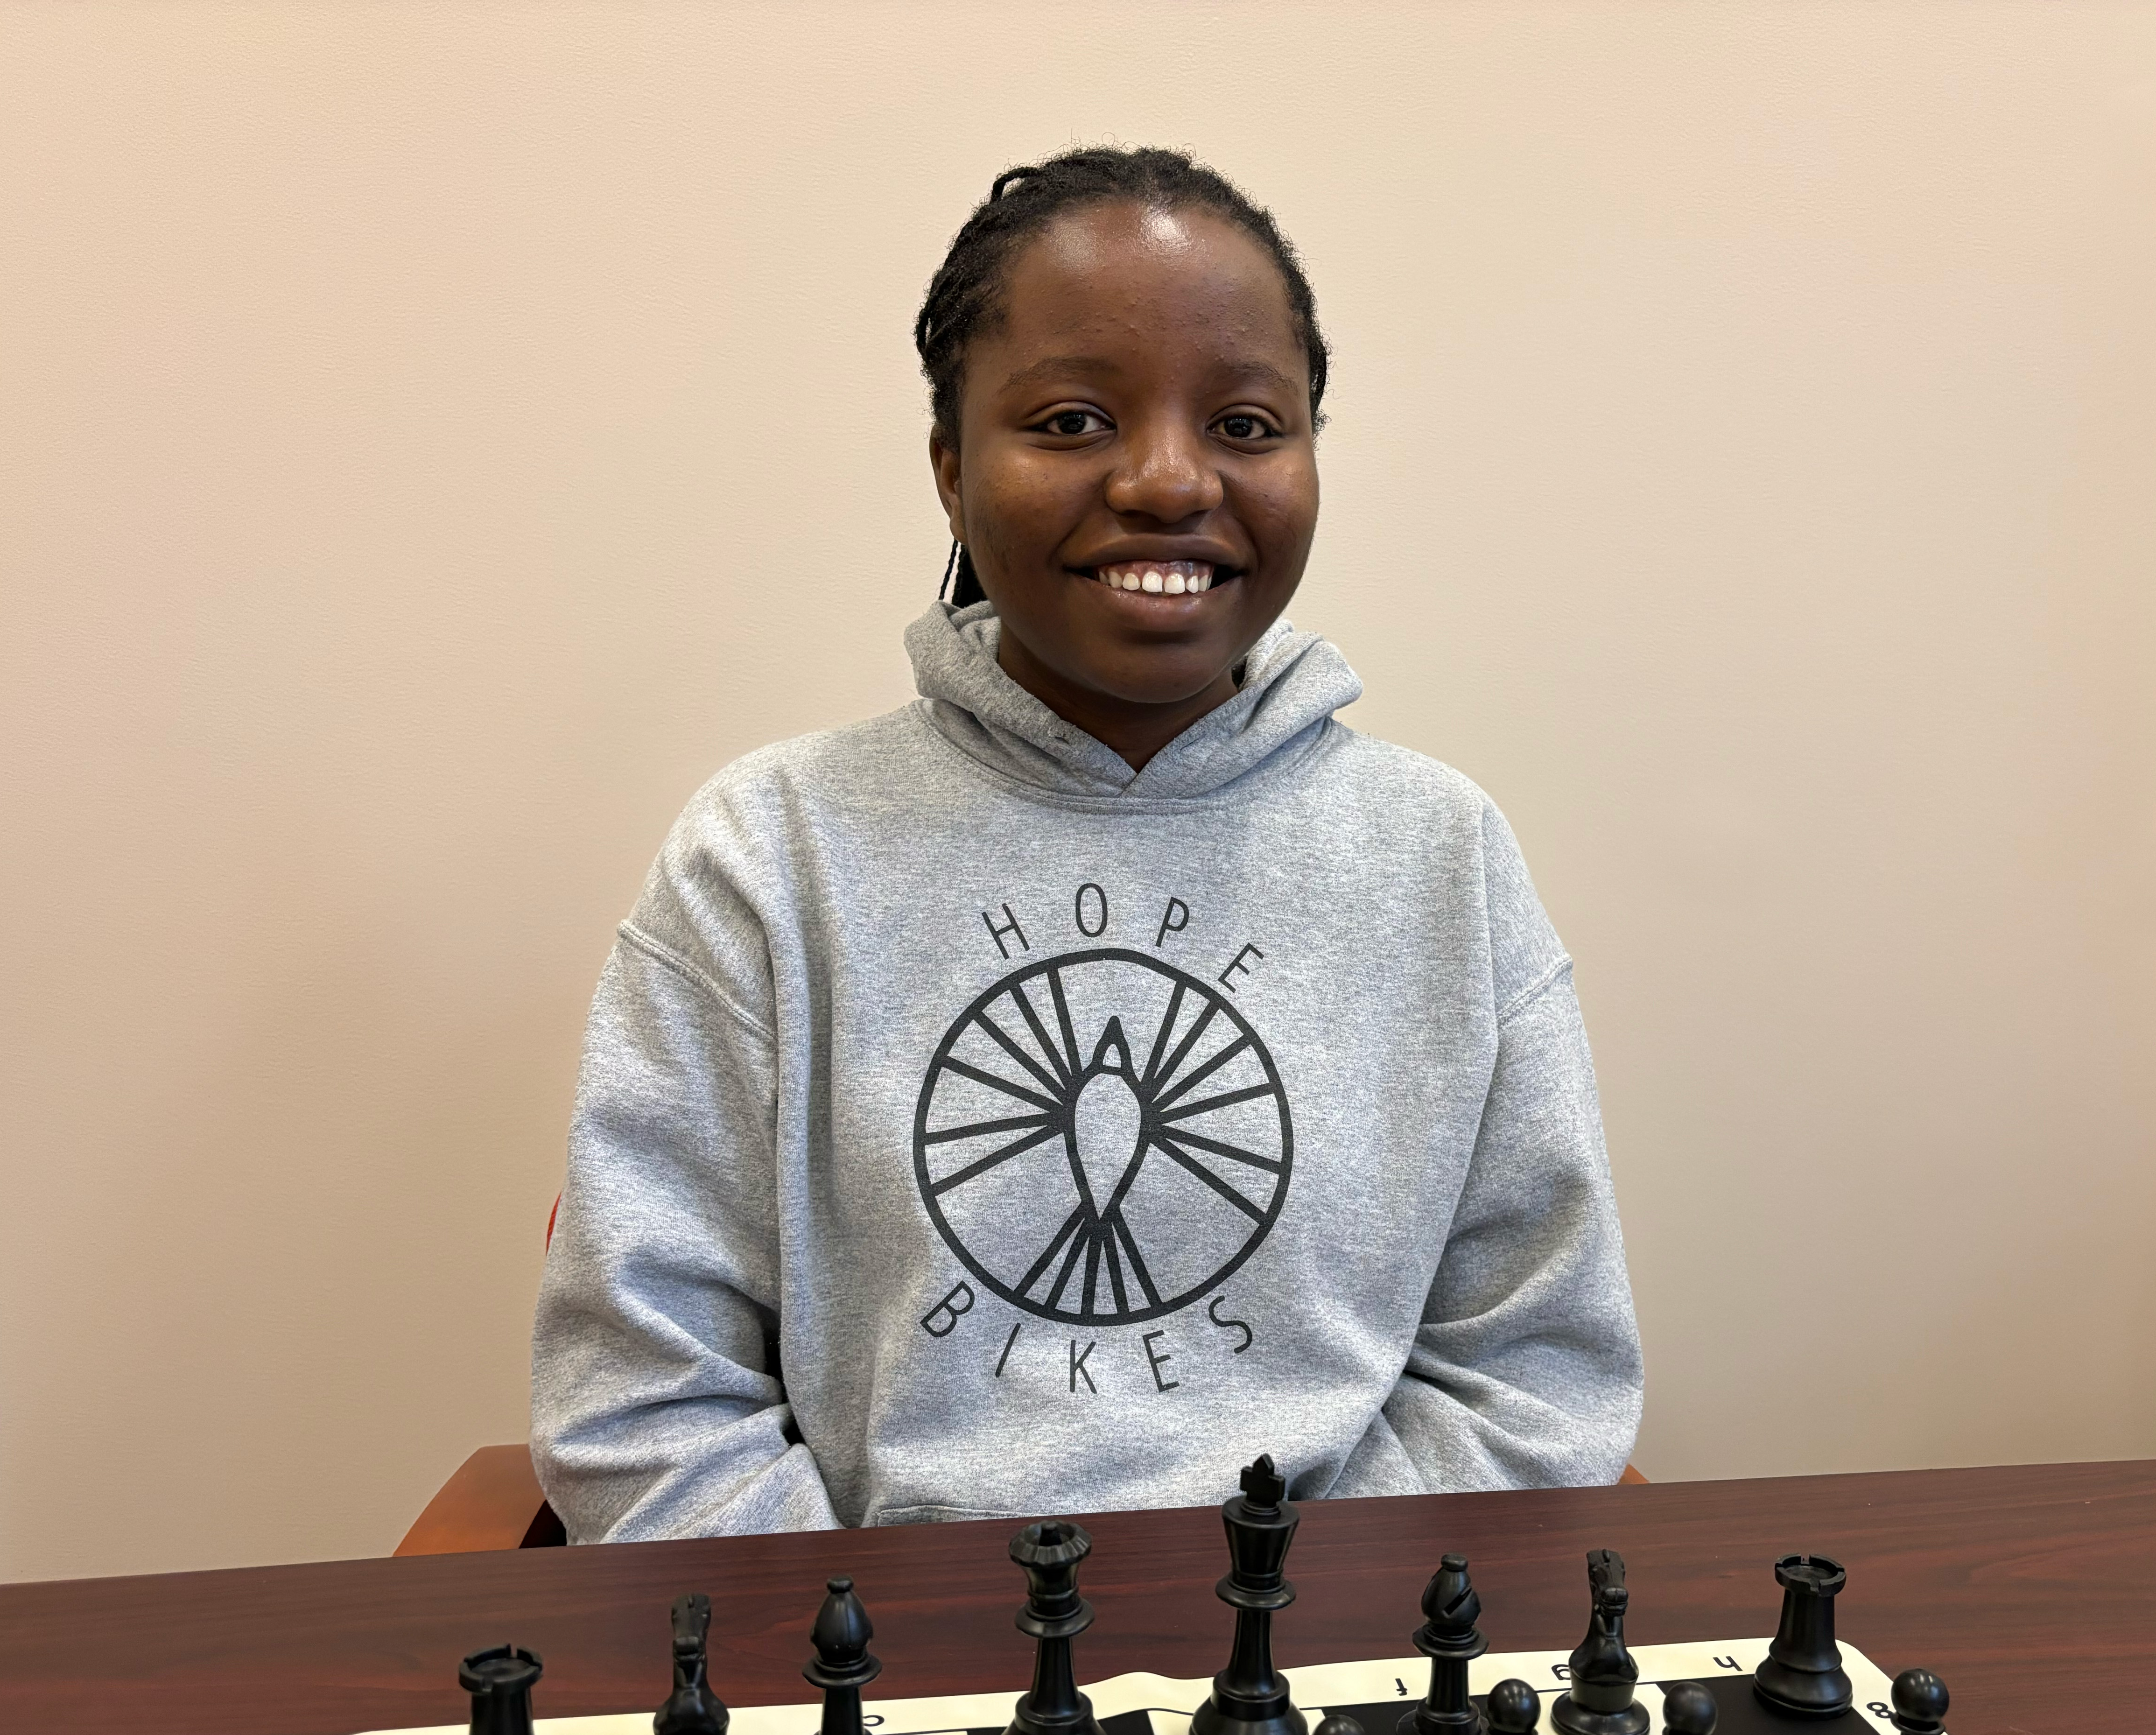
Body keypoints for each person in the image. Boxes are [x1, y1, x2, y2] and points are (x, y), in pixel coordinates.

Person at [531, 148, 1642, 1538]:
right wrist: (880, 1671)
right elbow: (640, 1403)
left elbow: (1534, 1378)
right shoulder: (766, 858)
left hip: (1329, 1672)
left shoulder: (1443, 859)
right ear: (951, 469)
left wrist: (1284, 1640)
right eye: (1070, 419)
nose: (1171, 480)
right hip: (885, 1697)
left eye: (1246, 424)